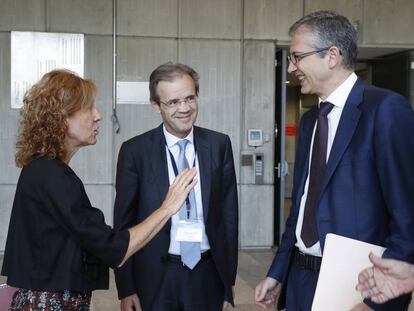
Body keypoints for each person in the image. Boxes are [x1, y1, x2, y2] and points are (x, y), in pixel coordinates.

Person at [254, 10, 414, 311]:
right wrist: (278, 273)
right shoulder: (309, 120)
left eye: (297, 57)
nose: (291, 68)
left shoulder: (385, 110)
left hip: (357, 286)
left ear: (332, 55)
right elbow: (301, 205)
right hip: (300, 279)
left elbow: (408, 216)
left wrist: (378, 300)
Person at [1, 69, 197, 310]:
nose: (98, 115)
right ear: (62, 119)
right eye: (88, 109)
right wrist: (167, 208)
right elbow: (114, 247)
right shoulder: (51, 176)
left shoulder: (43, 171)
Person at [113, 62, 238, 311]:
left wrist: (227, 282)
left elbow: (228, 219)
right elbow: (124, 225)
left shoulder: (219, 145)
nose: (184, 108)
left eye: (190, 98)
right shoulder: (135, 151)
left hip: (208, 274)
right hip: (156, 277)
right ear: (155, 105)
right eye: (173, 102)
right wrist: (126, 288)